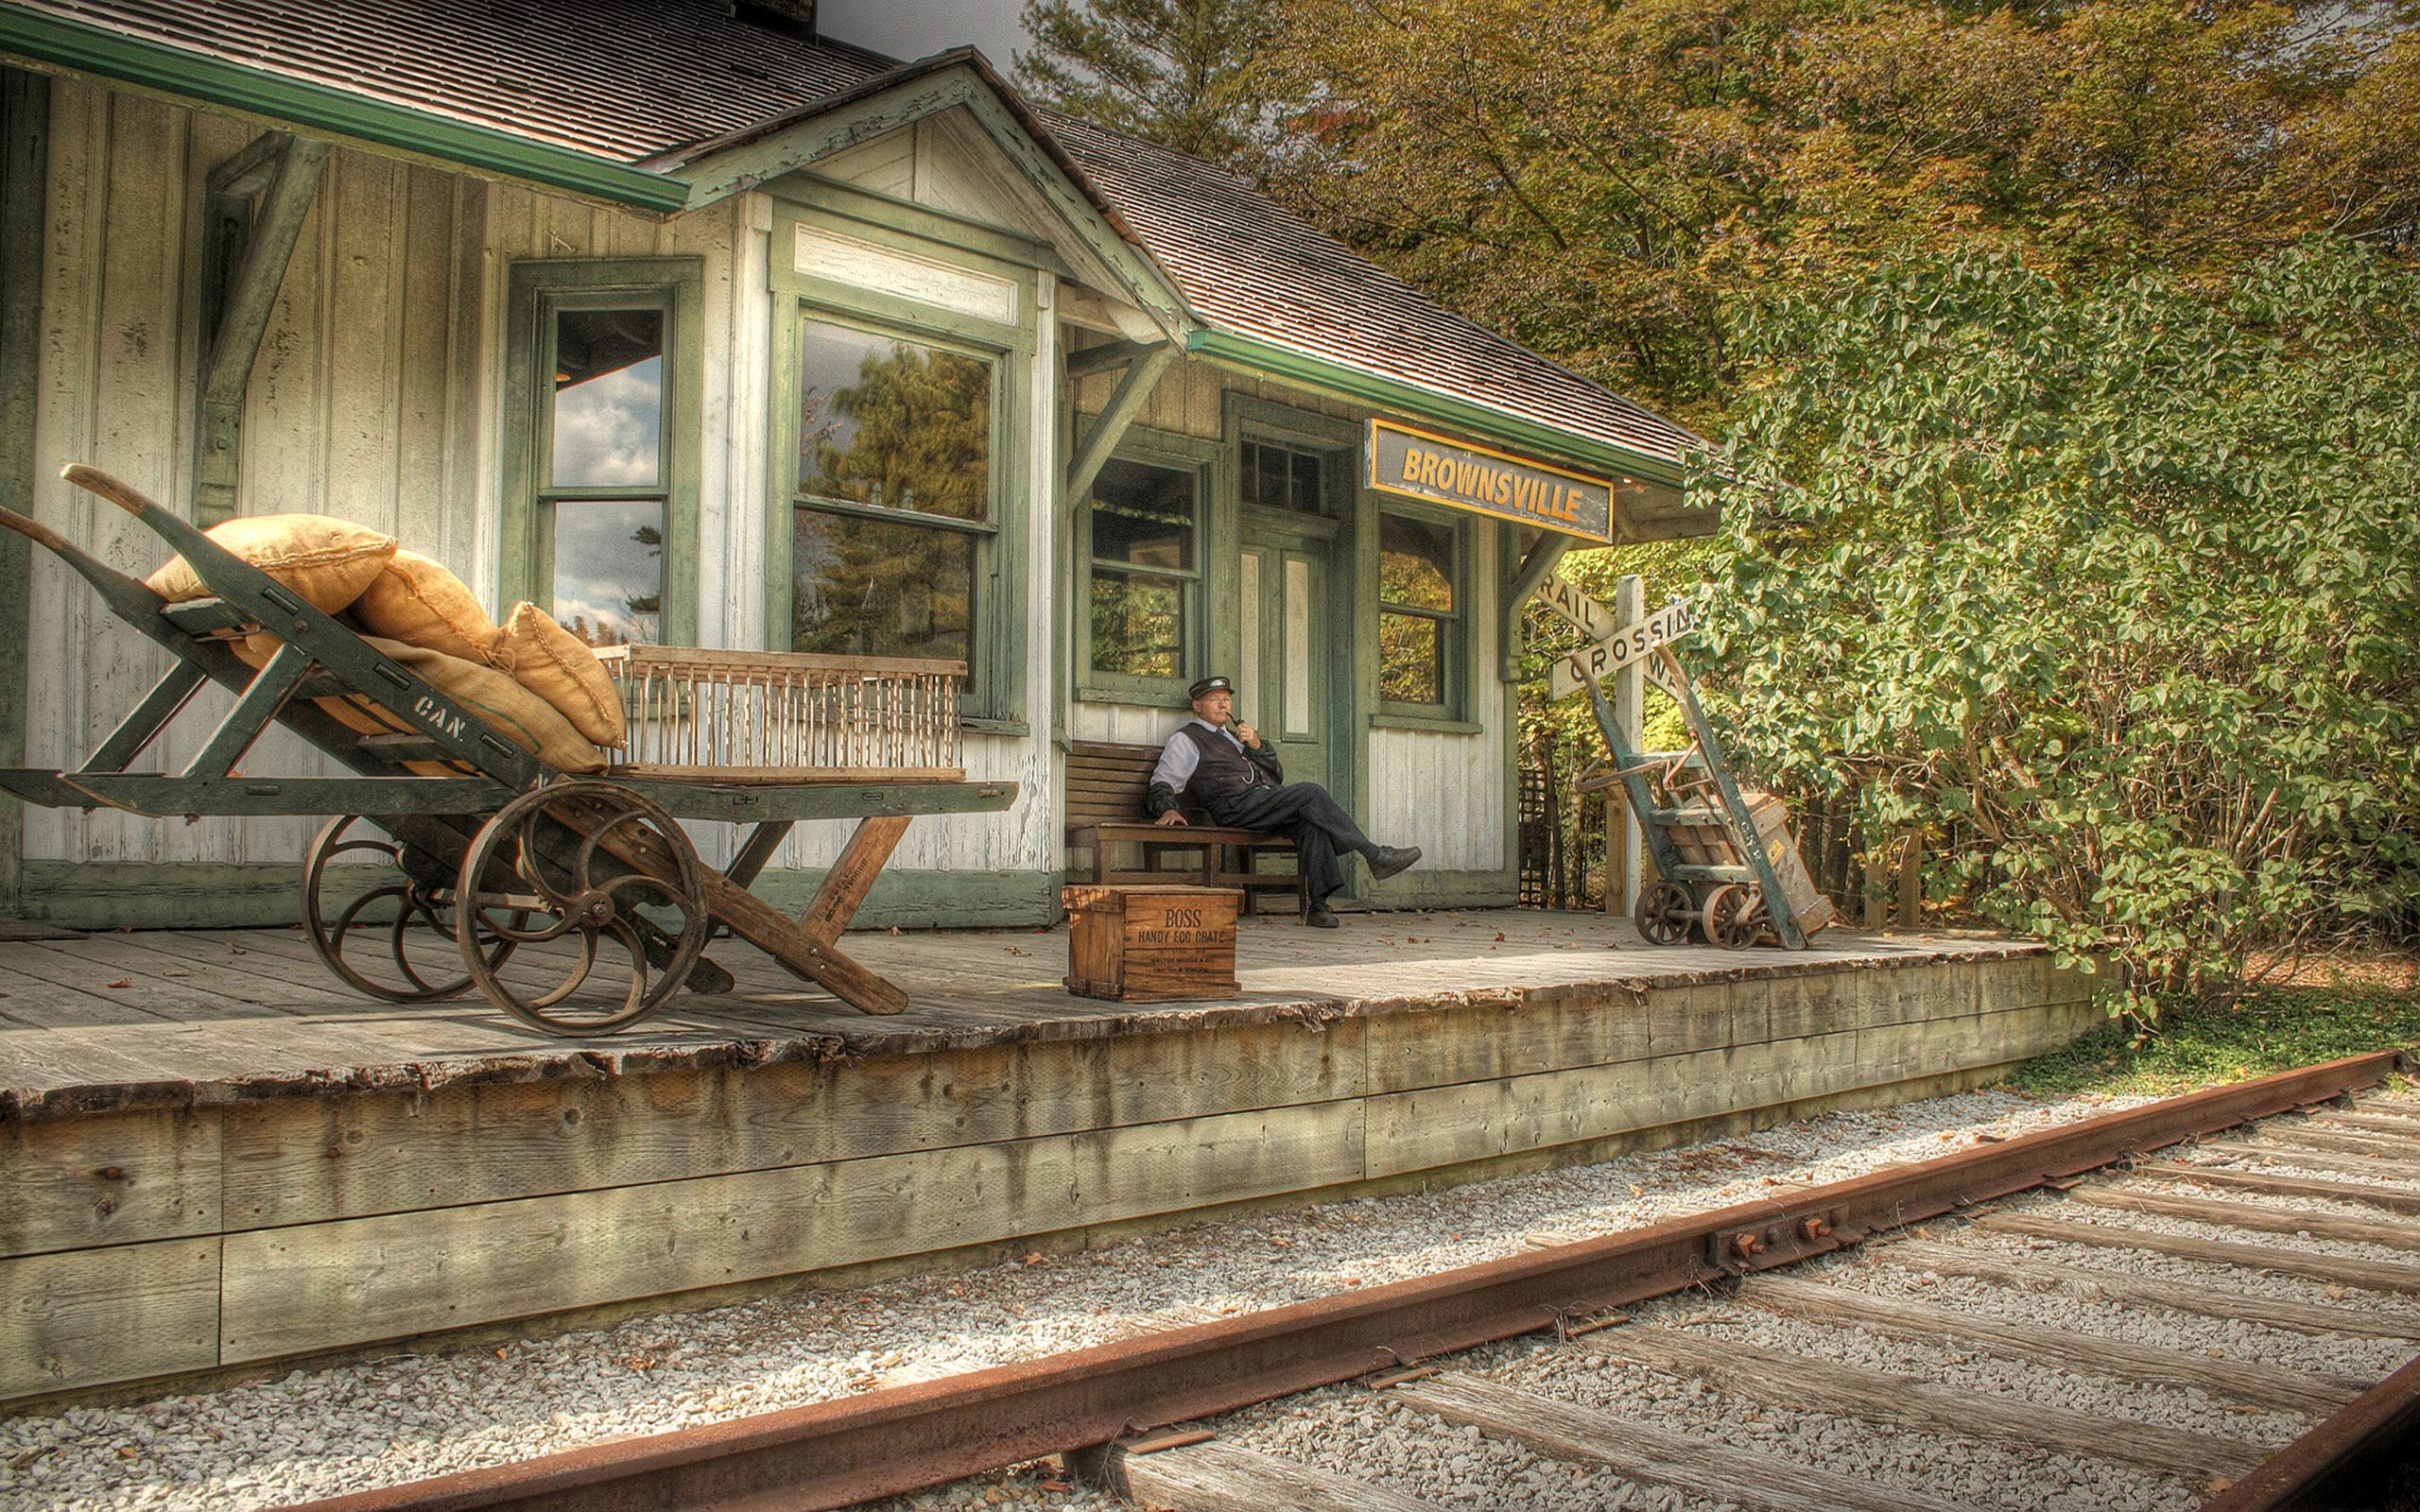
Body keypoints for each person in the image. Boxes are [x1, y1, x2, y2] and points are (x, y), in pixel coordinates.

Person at [1147, 675, 1420, 927]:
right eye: (1214, 698)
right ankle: (1373, 854)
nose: (1223, 703)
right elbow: (1165, 778)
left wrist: (1257, 746)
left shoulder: (1235, 738)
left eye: (1227, 698)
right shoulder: (1187, 738)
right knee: (1311, 792)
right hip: (1234, 807)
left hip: (1262, 803)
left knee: (1312, 825)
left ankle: (1319, 906)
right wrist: (1167, 807)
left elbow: (1276, 776)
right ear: (1197, 706)